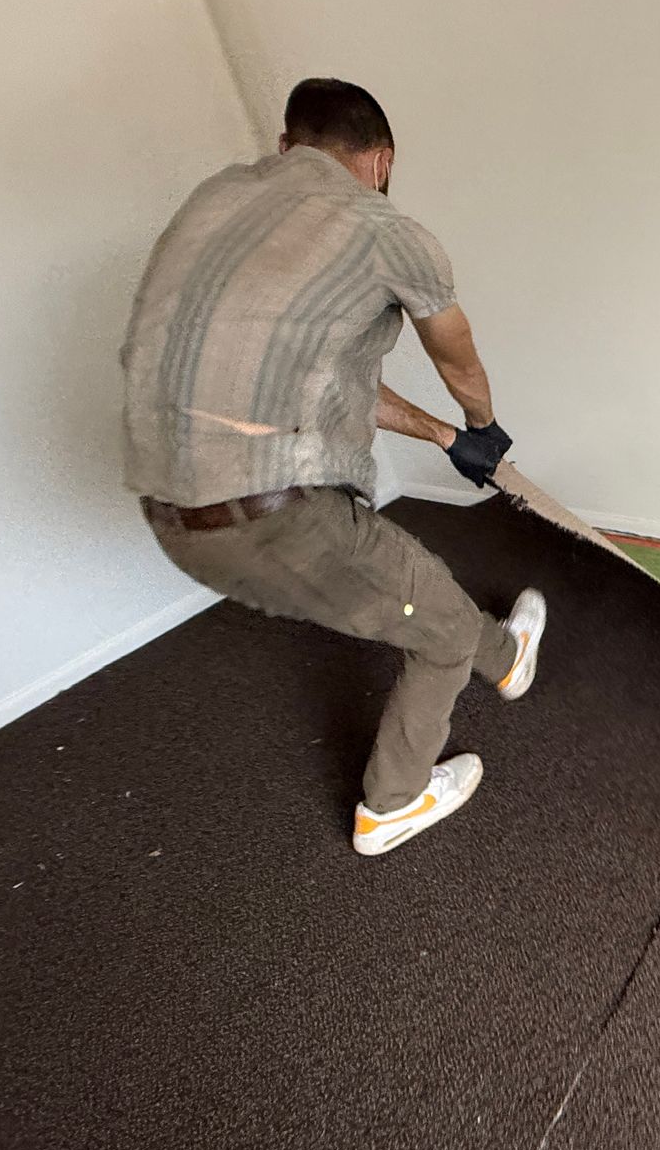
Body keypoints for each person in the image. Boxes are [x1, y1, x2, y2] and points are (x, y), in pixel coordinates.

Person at [121, 77, 544, 857]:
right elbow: (458, 356)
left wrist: (446, 441)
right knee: (439, 632)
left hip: (169, 516)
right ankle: (393, 804)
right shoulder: (385, 229)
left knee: (415, 592)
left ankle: (509, 660)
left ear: (288, 146)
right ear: (380, 159)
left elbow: (327, 381)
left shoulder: (215, 200)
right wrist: (484, 425)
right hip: (276, 514)